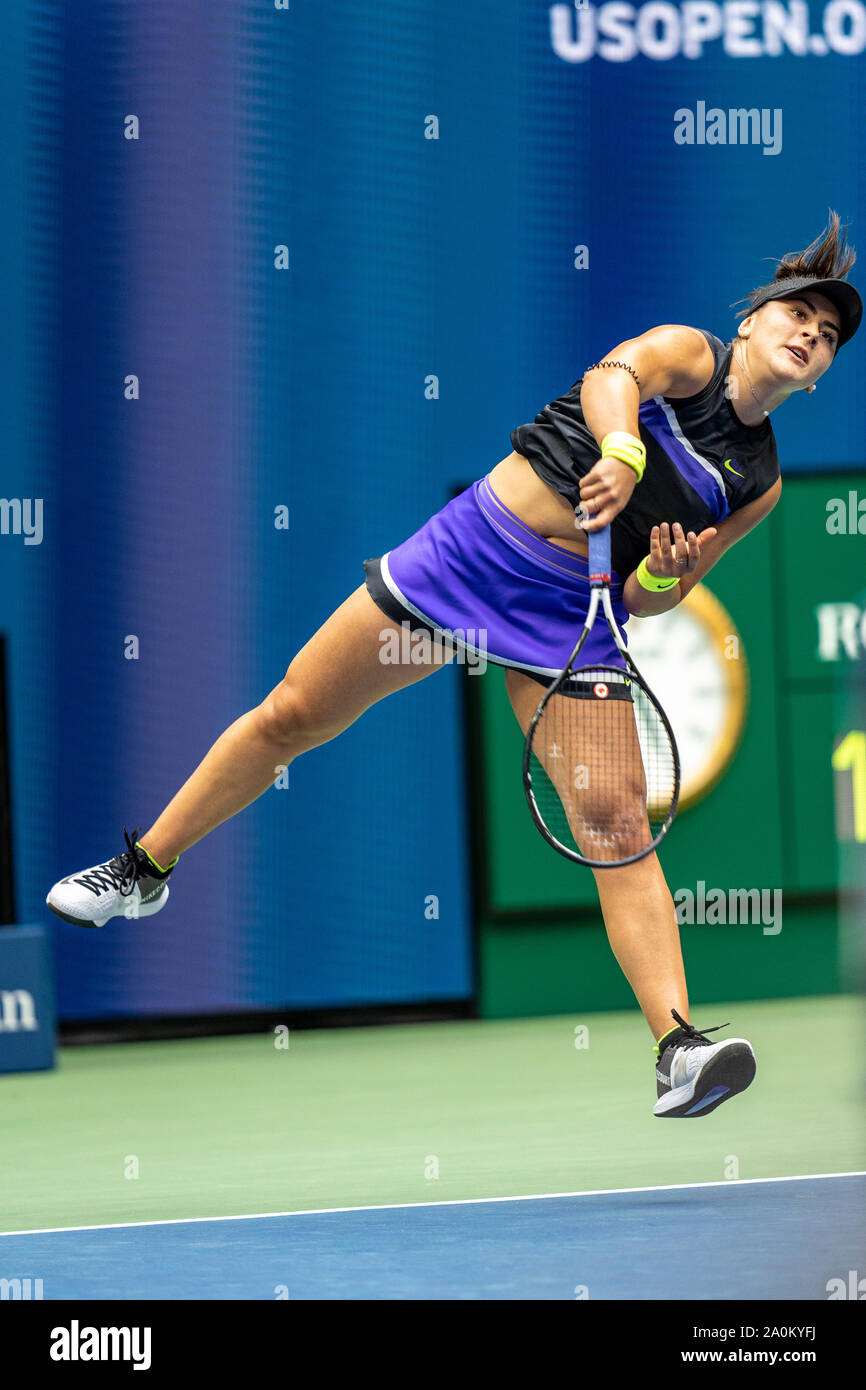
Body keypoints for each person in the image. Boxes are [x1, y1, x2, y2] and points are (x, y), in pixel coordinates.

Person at [47, 212, 861, 1117]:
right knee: (293, 716)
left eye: (827, 339)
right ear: (753, 323)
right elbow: (612, 377)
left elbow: (651, 596)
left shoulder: (760, 481)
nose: (810, 337)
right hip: (470, 555)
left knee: (618, 822)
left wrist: (665, 574)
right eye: (799, 317)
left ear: (822, 373)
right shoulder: (689, 355)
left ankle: (678, 1049)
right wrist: (625, 451)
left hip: (571, 611)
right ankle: (144, 869)